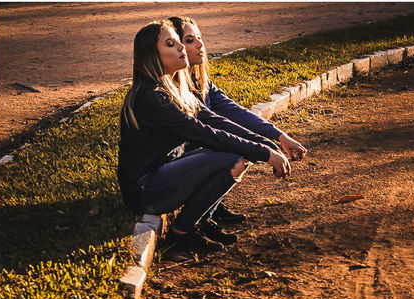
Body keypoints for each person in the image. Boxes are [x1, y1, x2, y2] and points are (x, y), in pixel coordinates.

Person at [117, 20, 291, 256]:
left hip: (163, 175)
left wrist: (267, 145)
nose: (180, 48)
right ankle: (182, 233)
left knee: (239, 154)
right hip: (145, 189)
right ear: (152, 55)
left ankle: (198, 221)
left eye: (179, 42)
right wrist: (265, 153)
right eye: (171, 44)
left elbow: (216, 121)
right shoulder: (153, 97)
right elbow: (205, 133)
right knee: (232, 159)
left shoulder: (173, 88)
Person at [169, 15, 308, 228]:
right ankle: (197, 221)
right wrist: (265, 148)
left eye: (199, 37)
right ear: (176, 46)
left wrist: (280, 136)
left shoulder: (201, 83)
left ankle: (212, 207)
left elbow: (236, 112)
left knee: (242, 146)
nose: (199, 44)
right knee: (238, 150)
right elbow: (212, 129)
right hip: (176, 164)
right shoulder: (175, 90)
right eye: (189, 40)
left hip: (198, 152)